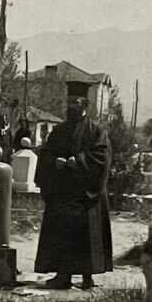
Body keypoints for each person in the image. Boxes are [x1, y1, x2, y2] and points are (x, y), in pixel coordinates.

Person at [34, 88, 113, 290]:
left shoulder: (97, 131)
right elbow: (46, 154)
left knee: (88, 234)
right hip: (64, 192)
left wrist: (77, 161)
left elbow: (101, 158)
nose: (71, 107)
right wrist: (54, 162)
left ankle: (88, 277)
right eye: (68, 103)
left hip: (87, 193)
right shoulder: (59, 131)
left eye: (75, 103)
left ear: (85, 105)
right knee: (63, 234)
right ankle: (63, 276)